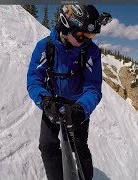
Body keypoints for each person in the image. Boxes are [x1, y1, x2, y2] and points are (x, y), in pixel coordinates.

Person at [27, 5, 112, 180]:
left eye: (90, 36)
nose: (86, 40)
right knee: (48, 145)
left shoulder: (90, 52)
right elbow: (34, 80)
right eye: (82, 35)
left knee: (79, 147)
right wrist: (45, 102)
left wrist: (81, 109)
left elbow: (93, 87)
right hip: (52, 101)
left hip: (77, 104)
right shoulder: (45, 47)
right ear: (66, 27)